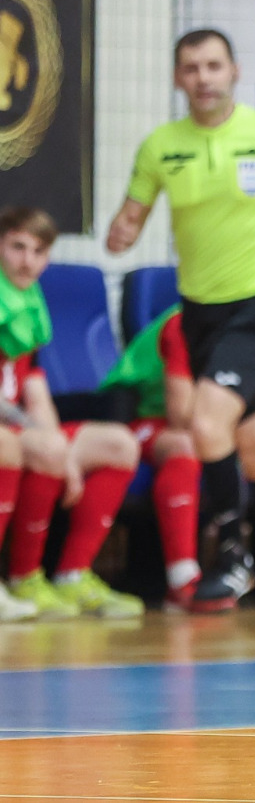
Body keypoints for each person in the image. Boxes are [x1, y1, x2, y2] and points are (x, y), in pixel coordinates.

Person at [106, 28, 255, 617]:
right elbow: (131, 216)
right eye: (191, 68)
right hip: (199, 312)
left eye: (214, 66)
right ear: (177, 78)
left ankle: (233, 555)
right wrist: (122, 230)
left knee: (205, 422)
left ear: (235, 72)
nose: (203, 77)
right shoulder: (161, 146)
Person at [0, 206, 144, 619]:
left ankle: (72, 576)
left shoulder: (31, 302)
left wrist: (62, 449)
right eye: (17, 247)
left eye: (39, 251)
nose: (28, 260)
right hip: (7, 428)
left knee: (120, 444)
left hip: (18, 426)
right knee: (28, 447)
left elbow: (35, 388)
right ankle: (22, 576)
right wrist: (47, 443)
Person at [98, 306, 204, 609]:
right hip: (135, 415)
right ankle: (182, 578)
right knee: (183, 444)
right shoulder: (184, 323)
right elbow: (180, 415)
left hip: (206, 421)